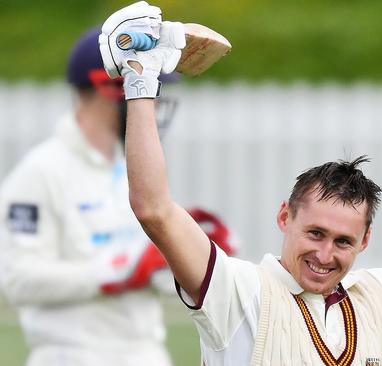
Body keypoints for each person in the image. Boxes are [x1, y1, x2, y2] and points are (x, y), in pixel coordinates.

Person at [98, 0, 382, 365]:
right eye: (315, 233)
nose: (324, 255)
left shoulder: (381, 298)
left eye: (343, 240)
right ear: (285, 216)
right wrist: (141, 87)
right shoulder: (237, 293)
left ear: (366, 241)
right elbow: (154, 210)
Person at [0, 26, 237, 366]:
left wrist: (197, 256)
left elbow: (148, 273)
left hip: (147, 355)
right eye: (150, 89)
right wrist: (118, 272)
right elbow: (19, 281)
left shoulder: (128, 171)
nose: (153, 104)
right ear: (107, 85)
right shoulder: (40, 173)